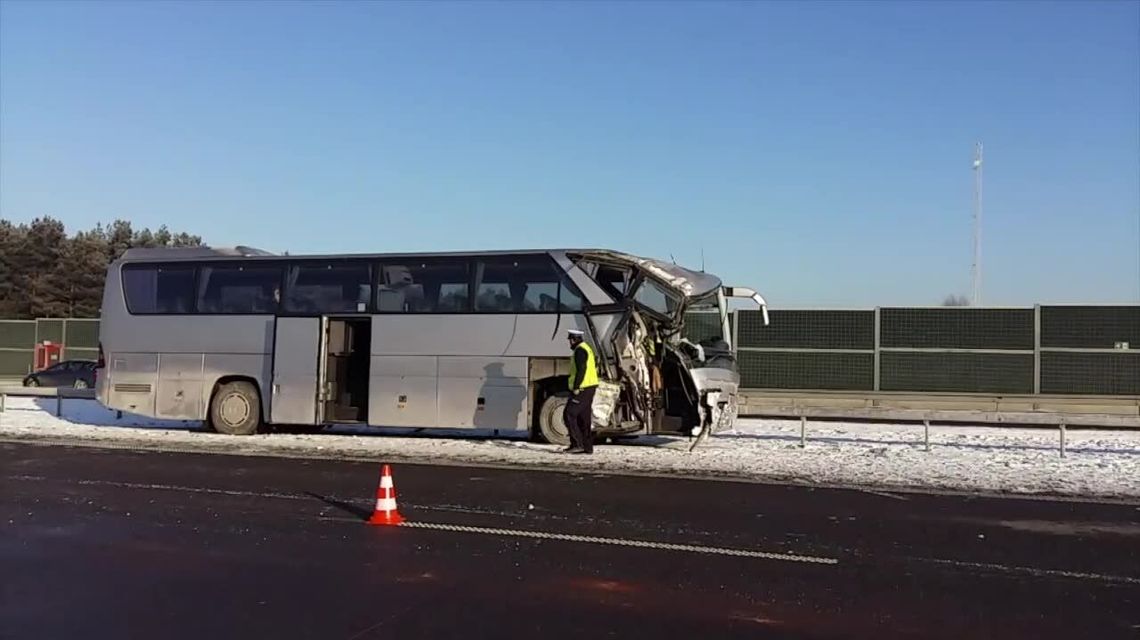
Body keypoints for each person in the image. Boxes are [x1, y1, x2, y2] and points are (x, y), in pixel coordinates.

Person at [564, 328, 599, 454]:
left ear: (574, 340)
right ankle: (587, 447)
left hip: (583, 388)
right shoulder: (586, 348)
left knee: (569, 414)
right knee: (584, 418)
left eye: (570, 340)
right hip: (589, 387)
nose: (570, 343)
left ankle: (577, 444)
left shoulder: (580, 350)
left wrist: (576, 387)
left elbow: (581, 369)